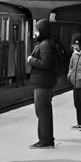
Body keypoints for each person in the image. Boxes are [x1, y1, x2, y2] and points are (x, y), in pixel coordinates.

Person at [27, 18, 59, 148]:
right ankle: (46, 138)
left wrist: (31, 60)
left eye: (37, 30)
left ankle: (45, 140)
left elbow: (46, 63)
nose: (35, 32)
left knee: (42, 112)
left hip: (43, 83)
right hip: (44, 82)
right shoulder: (46, 43)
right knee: (43, 112)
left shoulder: (45, 44)